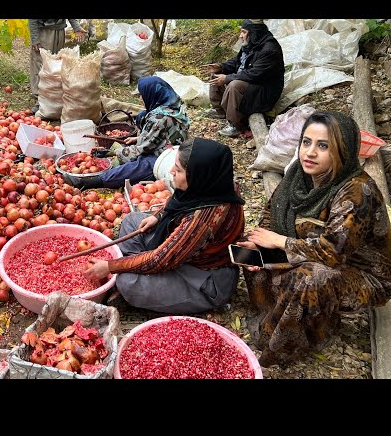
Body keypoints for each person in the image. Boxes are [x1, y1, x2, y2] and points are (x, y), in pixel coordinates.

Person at [236, 111, 391, 367]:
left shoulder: (357, 191)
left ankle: (298, 339)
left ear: (343, 150)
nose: (310, 152)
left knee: (311, 277)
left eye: (323, 146)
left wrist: (278, 242)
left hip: (363, 273)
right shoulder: (298, 174)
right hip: (311, 248)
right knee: (249, 250)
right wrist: (260, 243)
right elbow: (271, 212)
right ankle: (271, 316)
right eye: (306, 142)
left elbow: (333, 253)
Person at [84, 137, 245, 314]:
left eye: (179, 170)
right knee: (133, 221)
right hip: (185, 255)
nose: (171, 171)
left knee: (127, 283)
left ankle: (140, 276)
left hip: (204, 278)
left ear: (198, 176)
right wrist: (159, 216)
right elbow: (177, 199)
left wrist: (110, 266)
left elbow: (160, 259)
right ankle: (140, 268)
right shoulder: (216, 185)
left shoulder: (201, 221)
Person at [72, 76, 190, 189]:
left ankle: (97, 181)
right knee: (142, 116)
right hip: (173, 147)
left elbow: (141, 150)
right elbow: (163, 135)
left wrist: (112, 153)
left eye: (141, 95)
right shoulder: (174, 106)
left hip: (165, 157)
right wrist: (138, 139)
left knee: (137, 167)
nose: (140, 99)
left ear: (151, 94)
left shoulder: (159, 119)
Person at [200, 19, 284, 138]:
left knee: (234, 85)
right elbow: (237, 62)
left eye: (244, 32)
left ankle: (235, 125)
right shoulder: (252, 43)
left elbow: (254, 74)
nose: (240, 36)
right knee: (217, 73)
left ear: (253, 32)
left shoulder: (270, 49)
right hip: (251, 84)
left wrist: (227, 78)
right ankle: (219, 110)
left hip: (265, 91)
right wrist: (221, 66)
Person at [28, 19, 88, 113]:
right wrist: (35, 39)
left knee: (55, 64)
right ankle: (39, 100)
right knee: (40, 64)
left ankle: (53, 98)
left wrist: (76, 27)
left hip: (59, 31)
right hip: (44, 32)